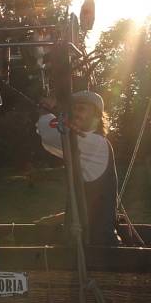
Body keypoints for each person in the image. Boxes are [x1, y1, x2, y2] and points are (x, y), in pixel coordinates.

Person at [37, 91, 120, 246]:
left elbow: (49, 135)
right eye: (73, 109)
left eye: (81, 109)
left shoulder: (93, 142)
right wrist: (56, 219)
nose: (75, 114)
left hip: (97, 247)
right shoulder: (85, 143)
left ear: (96, 115)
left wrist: (45, 109)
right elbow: (49, 142)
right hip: (88, 241)